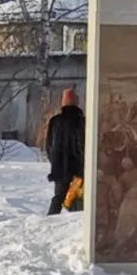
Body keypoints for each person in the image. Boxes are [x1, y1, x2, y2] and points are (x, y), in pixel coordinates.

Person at [42, 87, 86, 217]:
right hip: (79, 166)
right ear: (77, 103)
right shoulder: (82, 121)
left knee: (58, 197)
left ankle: (49, 221)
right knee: (79, 196)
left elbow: (49, 145)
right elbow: (84, 144)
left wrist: (55, 161)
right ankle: (77, 223)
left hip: (60, 167)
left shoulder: (55, 121)